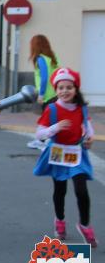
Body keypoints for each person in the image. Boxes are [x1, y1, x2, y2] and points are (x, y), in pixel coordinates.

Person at [32, 67, 98, 247]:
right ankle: (60, 221)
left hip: (77, 153)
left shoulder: (81, 108)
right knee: (60, 190)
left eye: (69, 87)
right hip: (58, 153)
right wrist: (55, 128)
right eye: (60, 88)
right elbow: (39, 134)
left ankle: (84, 225)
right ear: (56, 89)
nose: (64, 91)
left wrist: (89, 137)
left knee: (81, 190)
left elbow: (87, 125)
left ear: (75, 89)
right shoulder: (52, 109)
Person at [27, 34, 59, 149]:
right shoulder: (53, 57)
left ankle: (42, 141)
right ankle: (43, 140)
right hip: (55, 93)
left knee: (46, 120)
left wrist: (41, 94)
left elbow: (44, 77)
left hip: (47, 95)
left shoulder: (40, 59)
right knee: (51, 119)